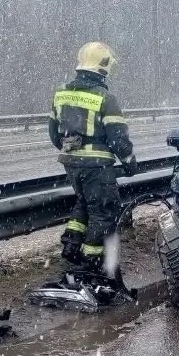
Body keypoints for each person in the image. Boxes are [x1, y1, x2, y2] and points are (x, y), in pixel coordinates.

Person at [49, 41, 137, 274]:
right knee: (104, 212)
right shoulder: (105, 98)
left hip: (71, 164)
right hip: (97, 166)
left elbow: (53, 134)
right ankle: (93, 262)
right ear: (104, 67)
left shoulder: (61, 94)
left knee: (84, 204)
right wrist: (130, 162)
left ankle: (71, 245)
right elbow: (118, 138)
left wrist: (72, 150)